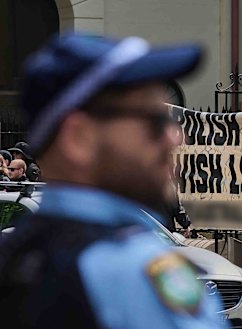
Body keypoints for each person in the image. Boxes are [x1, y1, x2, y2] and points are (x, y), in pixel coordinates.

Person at [0, 33, 226, 328]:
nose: (175, 137)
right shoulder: (135, 270)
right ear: (79, 138)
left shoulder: (15, 257)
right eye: (155, 121)